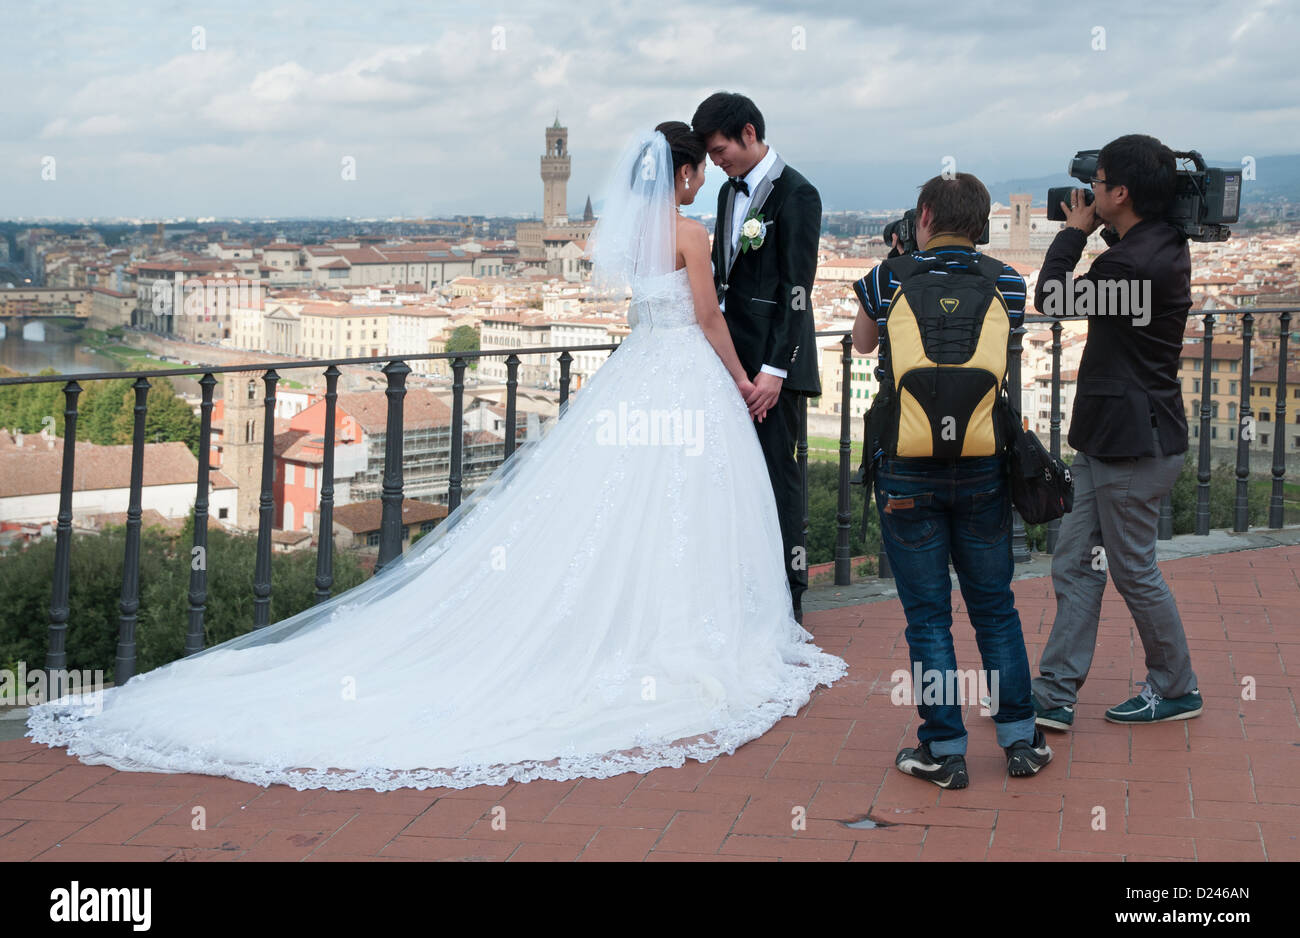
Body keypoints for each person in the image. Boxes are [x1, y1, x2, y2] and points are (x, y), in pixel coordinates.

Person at [25, 123, 846, 792]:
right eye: (697, 170)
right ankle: (673, 630)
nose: (704, 180)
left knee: (619, 505)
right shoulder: (692, 234)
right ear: (684, 171)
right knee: (683, 506)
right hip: (685, 379)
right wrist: (745, 378)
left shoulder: (632, 241)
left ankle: (627, 631)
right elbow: (706, 320)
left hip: (634, 378)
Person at [852, 172, 1051, 787]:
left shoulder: (890, 278)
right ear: (984, 221)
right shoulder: (1008, 281)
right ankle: (1020, 739)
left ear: (926, 215)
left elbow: (863, 346)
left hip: (908, 467)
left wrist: (897, 258)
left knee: (928, 618)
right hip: (984, 460)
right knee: (995, 608)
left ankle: (944, 748)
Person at [1031, 133, 1201, 728]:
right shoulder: (1160, 243)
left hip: (1133, 443)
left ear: (1122, 191)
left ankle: (1176, 686)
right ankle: (1054, 695)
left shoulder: (1132, 262)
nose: (1090, 191)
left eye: (1099, 183)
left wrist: (1073, 232)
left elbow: (1051, 298)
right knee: (1076, 562)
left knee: (1132, 569)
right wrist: (1100, 222)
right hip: (1112, 438)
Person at [691, 92, 822, 623]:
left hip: (773, 370)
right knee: (735, 478)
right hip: (730, 365)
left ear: (749, 133)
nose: (716, 161)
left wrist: (773, 371)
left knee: (777, 477)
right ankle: (746, 590)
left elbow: (798, 290)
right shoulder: (727, 194)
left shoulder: (798, 194)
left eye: (720, 149)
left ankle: (788, 600)